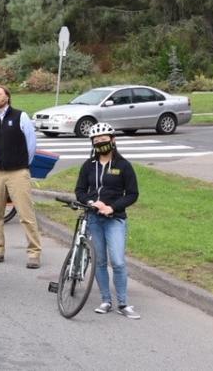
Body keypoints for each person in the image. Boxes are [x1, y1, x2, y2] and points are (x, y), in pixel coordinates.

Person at [75, 123, 140, 319]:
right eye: (96, 141)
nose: (100, 143)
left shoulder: (123, 166)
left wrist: (112, 207)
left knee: (118, 261)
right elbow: (80, 191)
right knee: (100, 261)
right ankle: (105, 300)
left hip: (114, 219)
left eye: (104, 140)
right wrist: (91, 202)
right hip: (94, 218)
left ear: (113, 140)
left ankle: (123, 303)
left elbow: (132, 194)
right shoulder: (88, 165)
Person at [0, 84, 43, 268]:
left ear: (7, 96)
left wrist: (22, 163)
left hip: (18, 172)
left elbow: (31, 144)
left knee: (26, 213)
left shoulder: (20, 116)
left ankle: (34, 252)